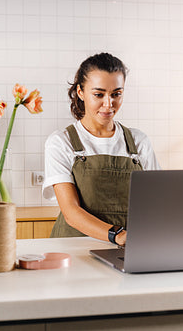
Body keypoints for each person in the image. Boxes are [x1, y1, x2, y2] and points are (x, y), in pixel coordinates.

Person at [43, 52, 160, 246]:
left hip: (127, 250)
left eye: (116, 94)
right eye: (98, 94)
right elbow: (71, 211)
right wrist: (119, 235)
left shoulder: (139, 142)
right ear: (80, 92)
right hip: (74, 249)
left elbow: (157, 201)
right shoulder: (61, 142)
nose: (108, 104)